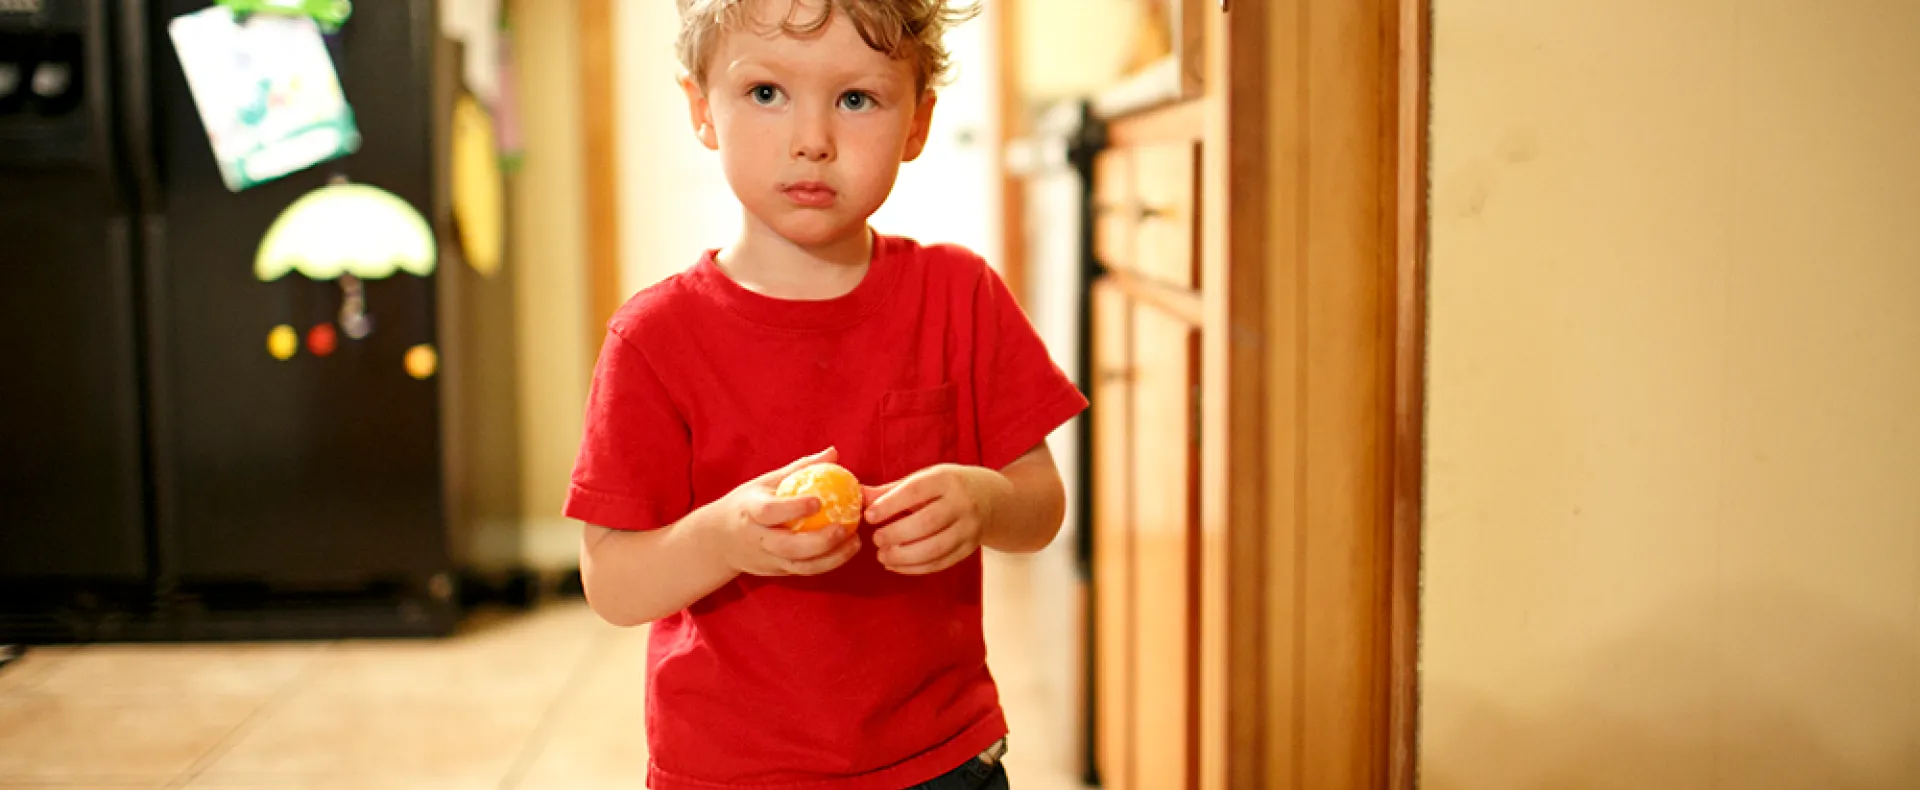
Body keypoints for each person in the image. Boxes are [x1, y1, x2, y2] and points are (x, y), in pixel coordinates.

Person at [564, 1, 1088, 787]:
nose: (813, 140)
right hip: (731, 769)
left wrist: (983, 503)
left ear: (917, 123)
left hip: (941, 757)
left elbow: (1040, 506)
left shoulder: (961, 296)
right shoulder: (654, 341)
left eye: (856, 99)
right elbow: (612, 584)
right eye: (767, 93)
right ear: (702, 109)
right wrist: (726, 539)